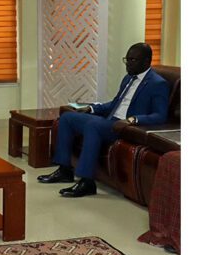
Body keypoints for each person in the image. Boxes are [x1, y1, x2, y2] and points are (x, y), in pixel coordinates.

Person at [38, 43, 170, 197]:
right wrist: (92, 108)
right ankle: (65, 170)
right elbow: (115, 104)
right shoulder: (128, 78)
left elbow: (160, 115)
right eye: (127, 59)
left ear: (146, 61)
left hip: (125, 127)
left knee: (93, 125)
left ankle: (87, 182)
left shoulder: (158, 83)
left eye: (132, 60)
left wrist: (132, 120)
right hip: (110, 121)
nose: (128, 64)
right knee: (67, 118)